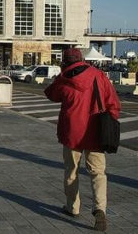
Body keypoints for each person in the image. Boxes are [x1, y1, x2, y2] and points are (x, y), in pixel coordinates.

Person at [44, 48, 121, 232]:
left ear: (65, 61)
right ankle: (100, 209)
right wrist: (111, 119)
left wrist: (61, 74)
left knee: (71, 171)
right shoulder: (98, 75)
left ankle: (73, 207)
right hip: (96, 132)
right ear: (82, 59)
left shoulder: (64, 79)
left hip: (72, 133)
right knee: (98, 173)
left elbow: (50, 94)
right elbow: (113, 102)